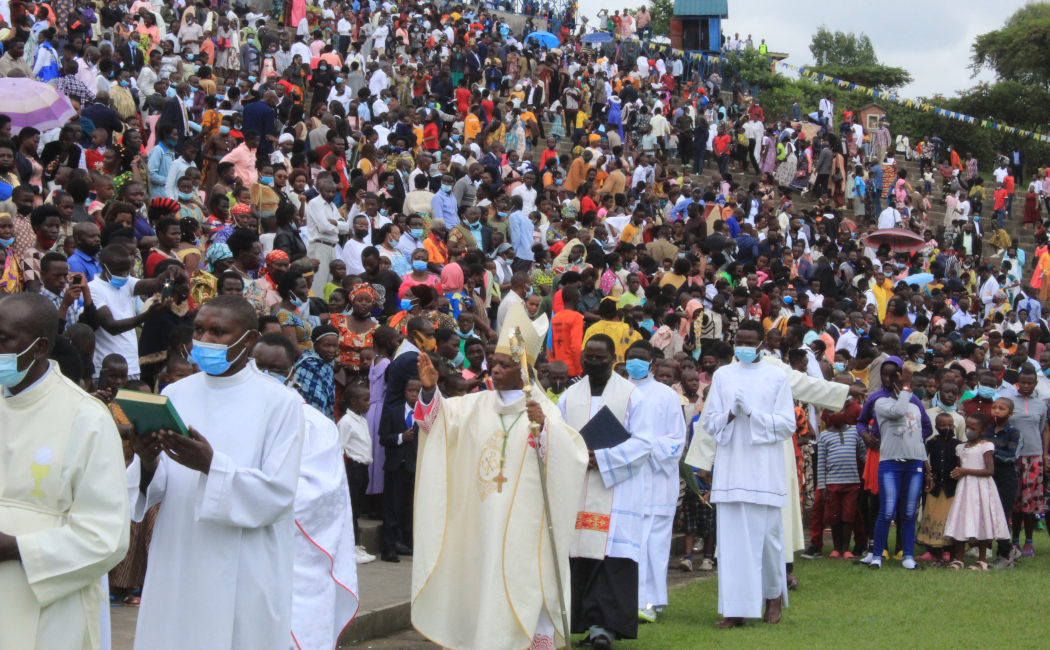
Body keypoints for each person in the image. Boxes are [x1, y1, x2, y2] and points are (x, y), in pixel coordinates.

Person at [125, 295, 305, 649]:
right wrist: (147, 462)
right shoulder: (175, 393)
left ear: (249, 339)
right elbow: (159, 485)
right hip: (179, 549)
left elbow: (279, 494)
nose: (204, 341)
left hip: (244, 558)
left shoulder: (279, 402)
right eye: (199, 330)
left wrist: (211, 465)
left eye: (218, 332)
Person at [410, 302, 587, 650]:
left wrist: (545, 429)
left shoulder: (543, 410)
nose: (495, 366)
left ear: (524, 369)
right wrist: (431, 390)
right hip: (479, 521)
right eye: (495, 361)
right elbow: (435, 423)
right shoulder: (475, 404)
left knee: (527, 584)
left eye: (505, 363)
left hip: (525, 523)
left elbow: (572, 458)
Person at [0, 292, 129, 648]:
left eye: (2, 340)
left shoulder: (85, 417)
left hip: (45, 599)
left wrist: (15, 548)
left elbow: (106, 536)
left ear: (40, 347)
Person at [250, 333, 360, 646]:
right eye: (259, 366)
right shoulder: (234, 414)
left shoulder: (314, 424)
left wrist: (242, 495)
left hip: (292, 552)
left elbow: (318, 494)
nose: (267, 374)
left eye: (276, 367)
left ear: (293, 370)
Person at [561, 334, 654, 648]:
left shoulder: (632, 396)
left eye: (601, 357)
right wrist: (575, 456)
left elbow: (644, 443)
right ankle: (585, 624)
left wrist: (600, 458)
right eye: (589, 355)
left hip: (617, 490)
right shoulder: (568, 396)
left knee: (612, 561)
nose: (594, 361)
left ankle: (604, 629)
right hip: (579, 489)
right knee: (581, 558)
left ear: (614, 358)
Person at [699, 320, 795, 627]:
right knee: (732, 542)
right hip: (731, 468)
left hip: (764, 469)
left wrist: (753, 414)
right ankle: (736, 610)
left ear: (761, 343)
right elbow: (710, 421)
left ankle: (773, 596)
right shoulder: (724, 375)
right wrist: (731, 413)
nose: (743, 346)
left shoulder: (776, 376)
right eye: (738, 340)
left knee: (768, 539)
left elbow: (786, 424)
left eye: (749, 341)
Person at [623, 341, 686, 623]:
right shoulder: (617, 391)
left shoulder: (666, 396)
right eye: (630, 358)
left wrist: (646, 445)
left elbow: (677, 439)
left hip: (658, 479)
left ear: (652, 363)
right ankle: (628, 600)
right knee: (630, 544)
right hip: (627, 478)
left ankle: (650, 602)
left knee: (654, 546)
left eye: (641, 358)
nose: (635, 363)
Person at [943, 412, 1011, 570]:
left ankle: (982, 560)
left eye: (973, 428)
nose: (969, 430)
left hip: (981, 488)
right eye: (967, 426)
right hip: (964, 489)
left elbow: (989, 471)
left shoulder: (985, 447)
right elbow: (960, 467)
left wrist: (965, 471)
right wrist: (957, 472)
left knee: (982, 520)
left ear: (982, 430)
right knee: (961, 519)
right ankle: (959, 559)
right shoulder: (960, 447)